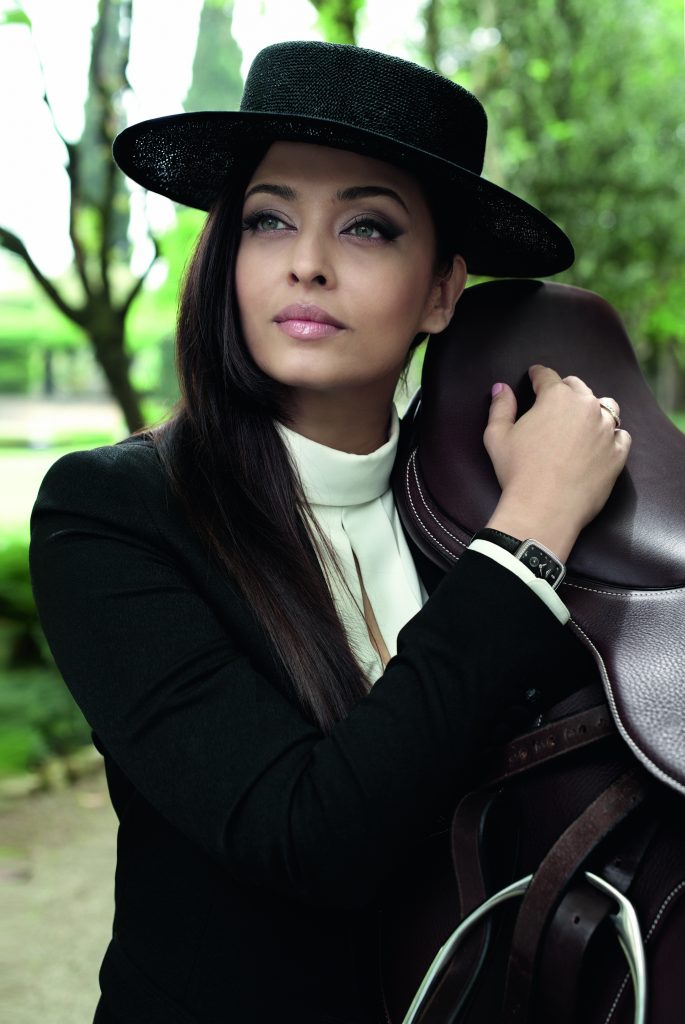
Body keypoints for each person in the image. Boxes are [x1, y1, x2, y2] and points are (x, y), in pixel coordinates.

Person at [29, 41, 630, 1024]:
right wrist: (529, 537)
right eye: (269, 219)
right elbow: (310, 837)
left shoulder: (466, 506)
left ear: (442, 290)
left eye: (366, 226)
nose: (306, 261)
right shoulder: (113, 515)